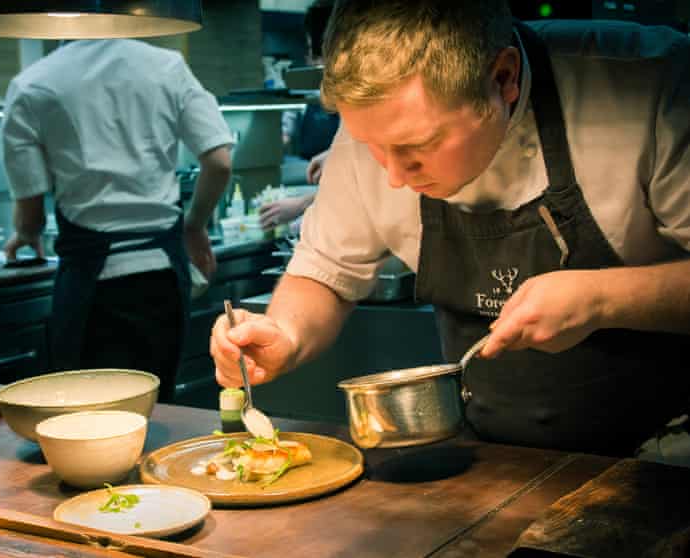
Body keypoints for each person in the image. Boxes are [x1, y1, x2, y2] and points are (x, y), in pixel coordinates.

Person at [211, 0, 690, 458]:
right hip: (487, 453)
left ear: (502, 79)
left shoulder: (652, 86)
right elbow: (325, 270)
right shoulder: (374, 132)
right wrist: (285, 334)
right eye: (372, 146)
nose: (394, 175)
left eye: (419, 145)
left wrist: (601, 298)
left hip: (665, 449)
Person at [2, 39, 233, 403]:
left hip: (90, 286)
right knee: (160, 411)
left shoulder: (33, 84)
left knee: (86, 416)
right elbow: (219, 162)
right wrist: (194, 225)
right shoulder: (168, 66)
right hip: (163, 279)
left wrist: (26, 234)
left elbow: (30, 204)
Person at [262, 0, 338, 233]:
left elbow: (361, 183)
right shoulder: (306, 96)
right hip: (316, 177)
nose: (315, 60)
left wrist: (301, 204)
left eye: (314, 47)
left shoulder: (364, 101)